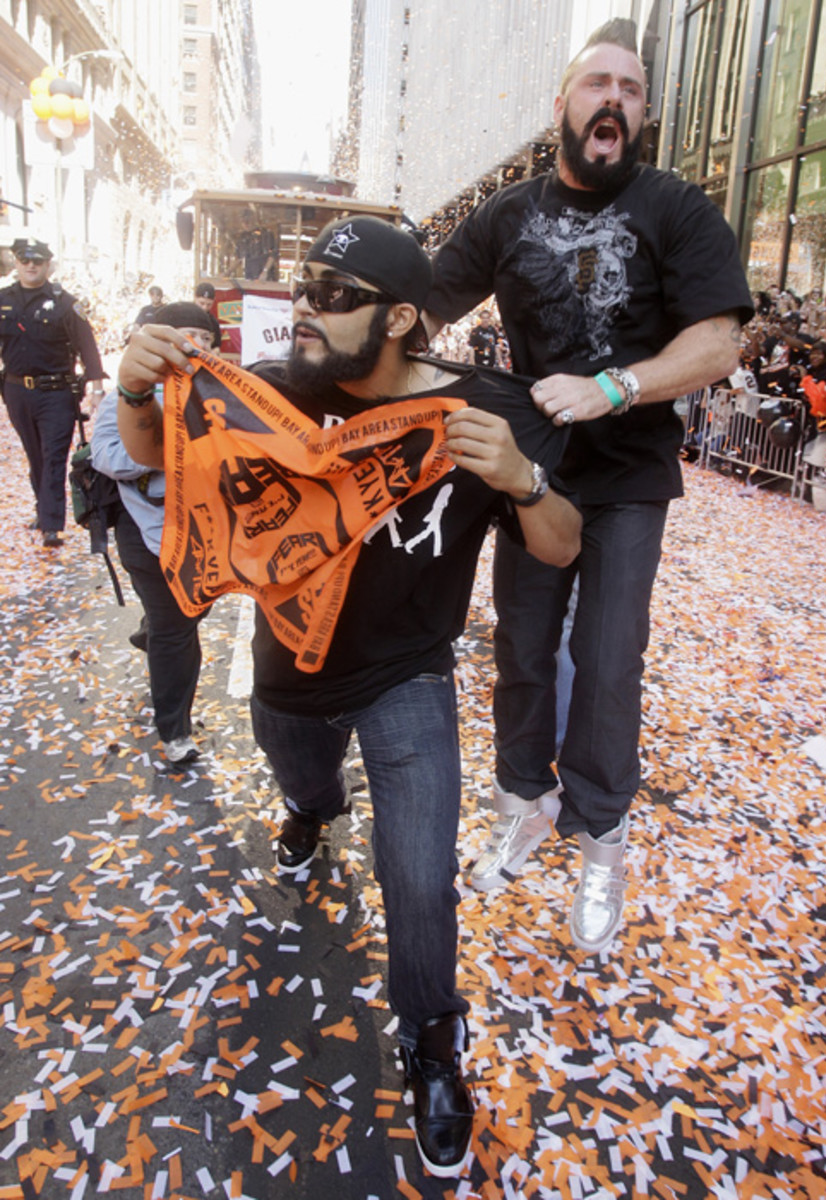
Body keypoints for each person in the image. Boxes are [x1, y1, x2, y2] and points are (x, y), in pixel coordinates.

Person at [114, 216, 581, 1177]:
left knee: (416, 876)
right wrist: (132, 379)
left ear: (403, 318)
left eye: (335, 296)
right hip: (288, 668)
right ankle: (310, 810)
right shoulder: (283, 388)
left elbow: (562, 544)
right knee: (308, 787)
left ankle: (434, 1046)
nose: (306, 313)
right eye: (305, 288)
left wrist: (525, 479)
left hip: (408, 676)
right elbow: (158, 450)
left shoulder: (485, 410)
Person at [425, 18, 754, 956]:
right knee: (523, 651)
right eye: (596, 83)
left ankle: (602, 840)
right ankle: (526, 805)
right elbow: (425, 301)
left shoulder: (676, 208)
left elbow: (718, 340)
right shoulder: (508, 213)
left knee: (608, 663)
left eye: (632, 89)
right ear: (563, 104)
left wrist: (616, 385)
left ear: (640, 115)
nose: (613, 98)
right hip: (534, 474)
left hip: (628, 478)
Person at [91, 303, 217, 766]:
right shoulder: (133, 391)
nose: (197, 346)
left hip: (205, 532)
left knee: (190, 612)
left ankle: (152, 630)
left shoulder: (220, 393)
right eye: (188, 335)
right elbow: (105, 454)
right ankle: (175, 730)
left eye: (207, 339)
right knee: (177, 628)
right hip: (145, 531)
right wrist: (162, 451)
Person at [0, 237, 105, 547]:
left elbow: (88, 346)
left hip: (56, 393)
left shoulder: (64, 302)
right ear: (16, 263)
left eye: (37, 261)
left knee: (54, 455)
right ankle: (43, 508)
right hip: (18, 391)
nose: (30, 265)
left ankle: (51, 524)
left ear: (48, 265)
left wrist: (97, 387)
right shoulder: (3, 300)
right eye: (24, 260)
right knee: (36, 456)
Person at [235, 210, 278, 281]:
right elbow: (239, 257)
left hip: (266, 278)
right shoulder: (243, 237)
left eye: (248, 221)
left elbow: (272, 255)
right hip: (249, 275)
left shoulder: (266, 234)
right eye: (243, 221)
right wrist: (226, 273)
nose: (246, 224)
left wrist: (265, 271)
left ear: (254, 220)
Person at [193, 280, 222, 349]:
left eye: (209, 304)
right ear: (195, 298)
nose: (205, 307)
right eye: (201, 303)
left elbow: (217, 347)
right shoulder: (183, 316)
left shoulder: (213, 322)